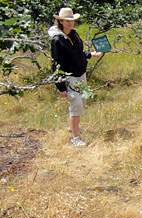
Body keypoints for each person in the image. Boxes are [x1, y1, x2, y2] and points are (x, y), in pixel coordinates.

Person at [48, 7, 101, 147]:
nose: (70, 23)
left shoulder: (75, 34)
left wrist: (90, 54)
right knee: (76, 104)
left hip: (81, 74)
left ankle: (73, 127)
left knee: (82, 101)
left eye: (72, 20)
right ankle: (75, 137)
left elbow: (78, 53)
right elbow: (55, 64)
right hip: (69, 77)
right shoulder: (57, 40)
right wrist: (61, 87)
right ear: (60, 21)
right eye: (67, 21)